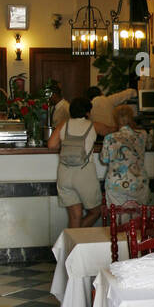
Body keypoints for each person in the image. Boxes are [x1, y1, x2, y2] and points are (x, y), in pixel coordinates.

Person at [47, 95, 101, 228]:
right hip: (84, 175)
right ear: (88, 112)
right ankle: (74, 240)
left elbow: (51, 145)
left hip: (64, 174)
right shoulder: (93, 125)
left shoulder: (63, 124)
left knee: (75, 216)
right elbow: (113, 130)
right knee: (95, 212)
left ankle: (71, 244)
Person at [99, 104, 150, 206]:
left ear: (115, 119)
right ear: (131, 117)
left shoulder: (110, 137)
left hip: (117, 185)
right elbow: (148, 146)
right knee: (139, 217)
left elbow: (104, 160)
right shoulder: (143, 134)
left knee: (118, 218)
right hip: (139, 183)